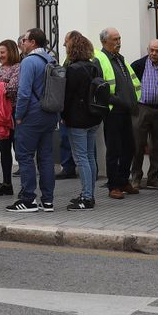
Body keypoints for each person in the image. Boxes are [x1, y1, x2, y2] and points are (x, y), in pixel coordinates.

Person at [5, 27, 58, 213]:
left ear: (33, 42)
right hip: (50, 114)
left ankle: (28, 199)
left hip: (32, 115)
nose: (22, 44)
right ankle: (48, 201)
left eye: (25, 40)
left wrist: (18, 116)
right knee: (46, 157)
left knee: (25, 156)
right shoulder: (51, 60)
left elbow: (24, 93)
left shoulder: (29, 62)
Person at [95, 28, 139, 198]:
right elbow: (99, 87)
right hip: (113, 111)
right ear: (105, 42)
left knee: (129, 147)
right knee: (114, 149)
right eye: (115, 39)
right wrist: (117, 100)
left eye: (119, 38)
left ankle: (123, 180)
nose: (119, 42)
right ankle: (113, 185)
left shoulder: (120, 59)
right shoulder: (100, 59)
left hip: (126, 109)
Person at [62, 31, 102, 211]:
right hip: (93, 117)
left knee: (81, 158)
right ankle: (89, 193)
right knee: (89, 157)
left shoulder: (73, 69)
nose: (64, 47)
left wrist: (62, 116)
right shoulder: (93, 66)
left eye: (66, 44)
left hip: (77, 119)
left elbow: (67, 96)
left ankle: (86, 197)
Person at [131, 39, 158, 189]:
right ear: (148, 50)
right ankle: (136, 178)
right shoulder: (138, 65)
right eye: (151, 50)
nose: (154, 53)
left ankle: (153, 177)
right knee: (137, 144)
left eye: (157, 51)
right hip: (141, 108)